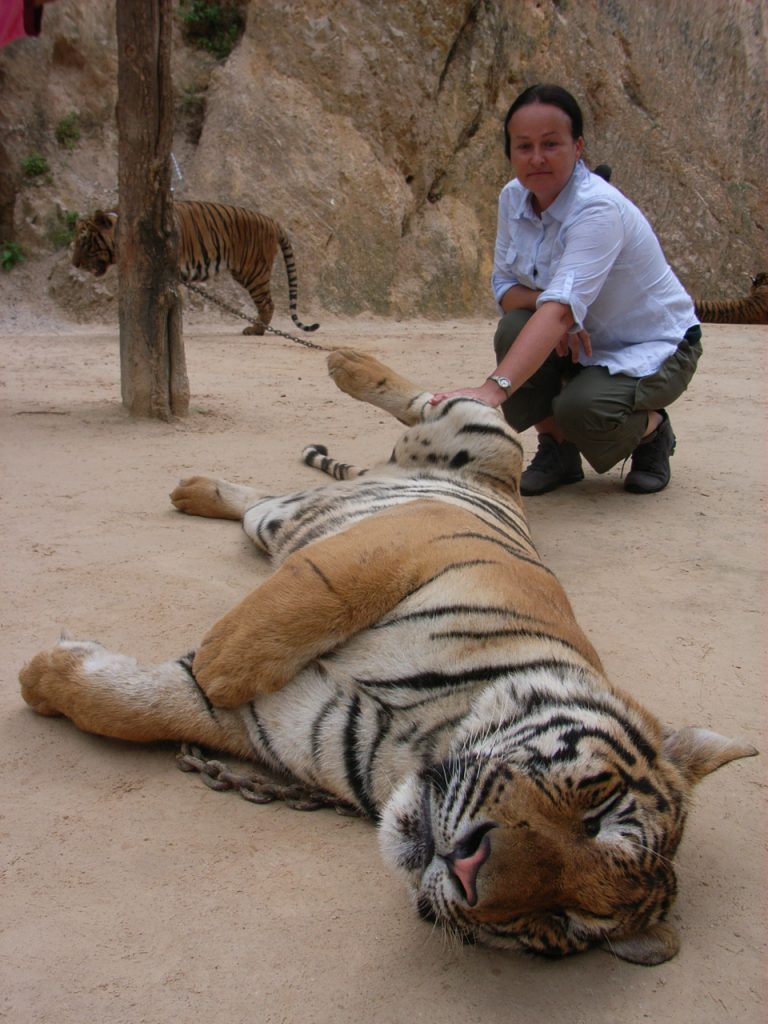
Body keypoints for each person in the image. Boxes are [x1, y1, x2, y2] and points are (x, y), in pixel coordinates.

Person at [430, 83, 702, 495]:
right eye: (523, 146)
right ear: (510, 152)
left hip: (653, 346)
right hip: (579, 340)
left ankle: (652, 432)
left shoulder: (597, 208)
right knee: (514, 328)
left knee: (584, 409)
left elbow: (558, 310)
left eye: (551, 144)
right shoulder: (513, 198)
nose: (536, 158)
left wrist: (491, 391)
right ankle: (557, 450)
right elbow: (505, 289)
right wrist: (553, 311)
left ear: (578, 148)